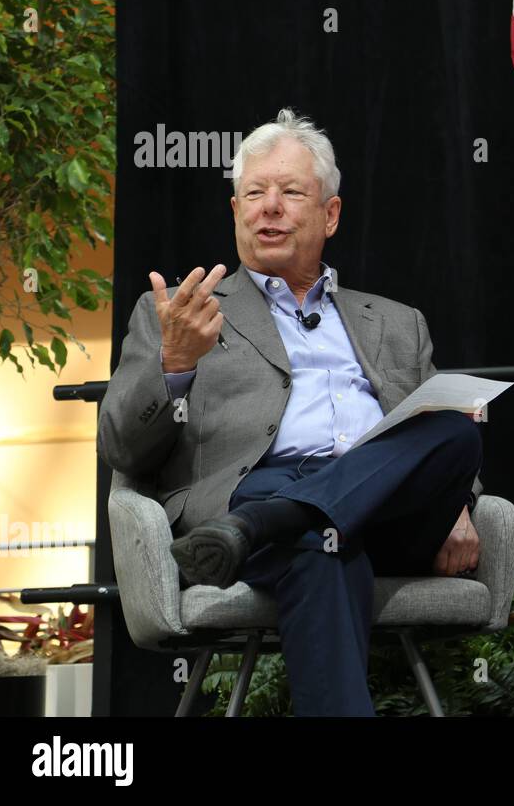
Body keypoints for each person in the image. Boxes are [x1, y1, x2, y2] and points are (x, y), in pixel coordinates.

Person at [97, 108, 486, 716]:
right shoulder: (178, 313)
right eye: (253, 193)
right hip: (254, 493)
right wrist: (174, 364)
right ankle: (287, 517)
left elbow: (440, 445)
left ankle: (279, 519)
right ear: (235, 212)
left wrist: (461, 504)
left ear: (330, 214)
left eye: (290, 192)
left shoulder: (396, 322)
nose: (269, 207)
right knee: (323, 546)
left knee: (453, 428)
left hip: (380, 514)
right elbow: (121, 449)